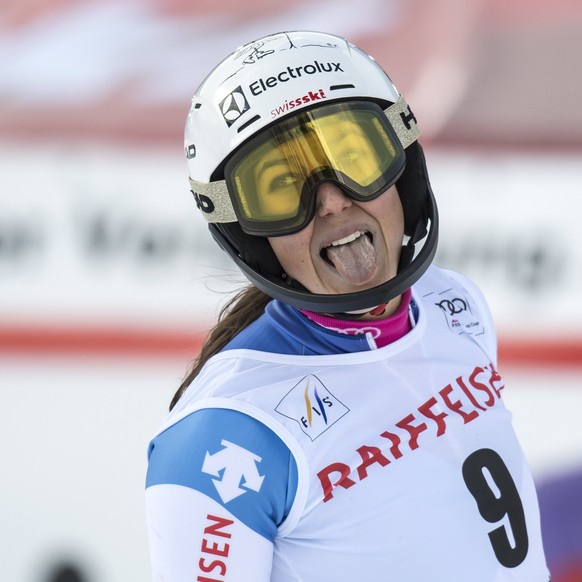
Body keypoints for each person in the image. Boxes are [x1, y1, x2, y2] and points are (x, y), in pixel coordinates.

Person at [145, 30, 549, 581]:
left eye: (353, 156)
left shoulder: (455, 304)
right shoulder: (225, 439)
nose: (333, 200)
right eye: (282, 188)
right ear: (249, 234)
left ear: (402, 169)